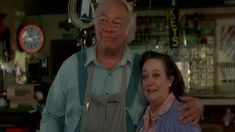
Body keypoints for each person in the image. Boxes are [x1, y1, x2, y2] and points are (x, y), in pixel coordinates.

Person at [40, 0, 203, 131]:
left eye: (117, 23)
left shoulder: (143, 68)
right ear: (96, 26)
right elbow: (51, 116)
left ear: (129, 31)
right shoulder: (71, 67)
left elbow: (167, 101)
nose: (108, 28)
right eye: (103, 21)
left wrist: (195, 106)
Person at [136, 51, 201, 132]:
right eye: (144, 76)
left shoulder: (183, 117)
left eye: (156, 75)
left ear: (170, 80)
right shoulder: (144, 117)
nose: (149, 82)